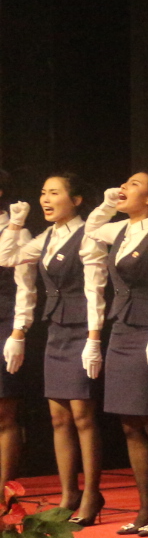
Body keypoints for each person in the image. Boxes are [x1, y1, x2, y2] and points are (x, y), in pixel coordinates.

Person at [83, 171, 148, 535]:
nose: (124, 187)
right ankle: (144, 506)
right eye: (123, 183)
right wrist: (107, 203)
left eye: (133, 185)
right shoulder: (121, 230)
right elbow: (91, 230)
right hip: (122, 328)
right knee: (129, 422)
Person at [2, 174, 108, 525]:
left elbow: (95, 290)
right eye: (43, 193)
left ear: (76, 200)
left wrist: (94, 338)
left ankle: (92, 493)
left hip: (82, 329)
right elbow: (8, 257)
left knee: (83, 417)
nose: (46, 199)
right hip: (56, 330)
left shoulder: (88, 234)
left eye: (54, 193)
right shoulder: (47, 236)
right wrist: (15, 225)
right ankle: (68, 493)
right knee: (59, 418)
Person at [0, 173, 25, 496]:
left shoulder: (15, 230)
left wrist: (17, 332)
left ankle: (3, 494)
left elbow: (25, 289)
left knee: (4, 413)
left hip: (4, 322)